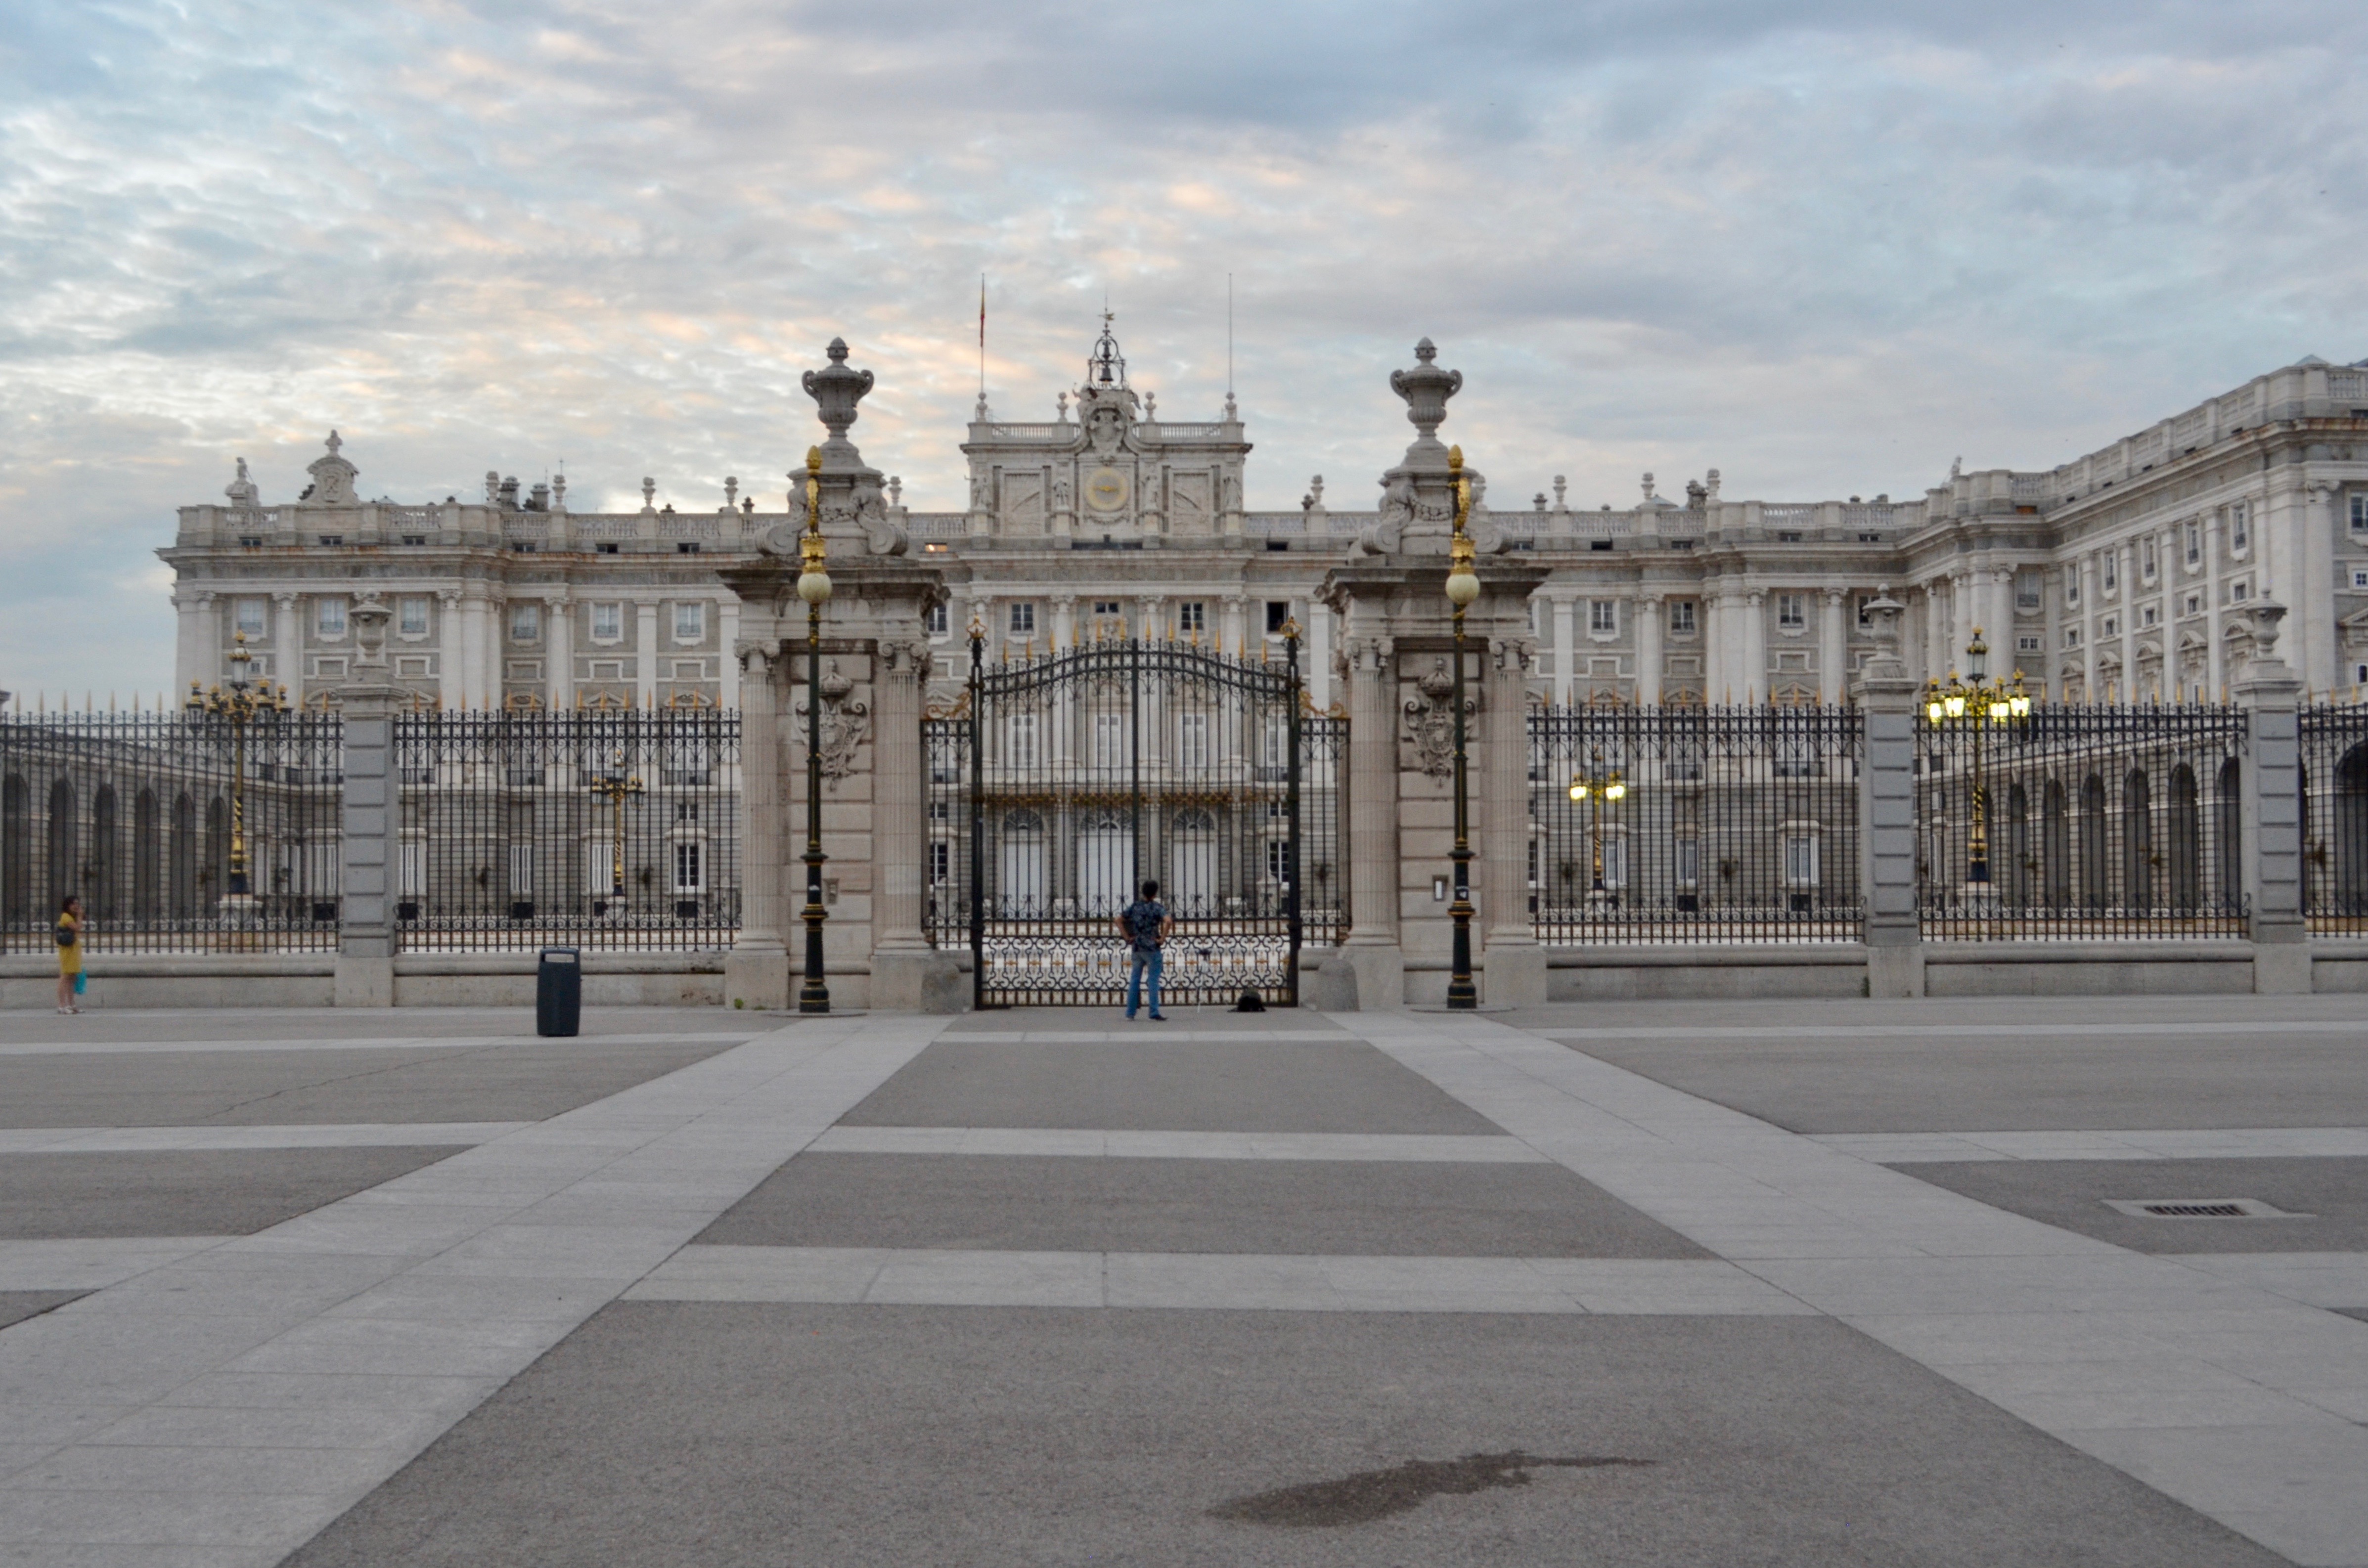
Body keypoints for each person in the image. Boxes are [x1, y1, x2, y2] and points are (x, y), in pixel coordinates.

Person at [1115, 878, 1173, 1022]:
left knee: (1135, 979)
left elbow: (1118, 920)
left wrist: (1127, 937)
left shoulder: (1135, 907)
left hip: (1137, 946)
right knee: (1153, 980)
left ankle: (1130, 1012)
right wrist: (1162, 939)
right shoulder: (1157, 907)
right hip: (1152, 947)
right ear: (1155, 894)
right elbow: (1168, 921)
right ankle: (1154, 1011)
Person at [54, 895, 84, 1015]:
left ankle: (72, 1004)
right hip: (67, 951)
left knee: (72, 978)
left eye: (77, 903)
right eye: (73, 904)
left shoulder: (71, 916)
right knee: (65, 977)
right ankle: (62, 1005)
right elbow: (77, 928)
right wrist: (80, 916)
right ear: (67, 905)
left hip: (74, 950)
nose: (76, 906)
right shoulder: (66, 917)